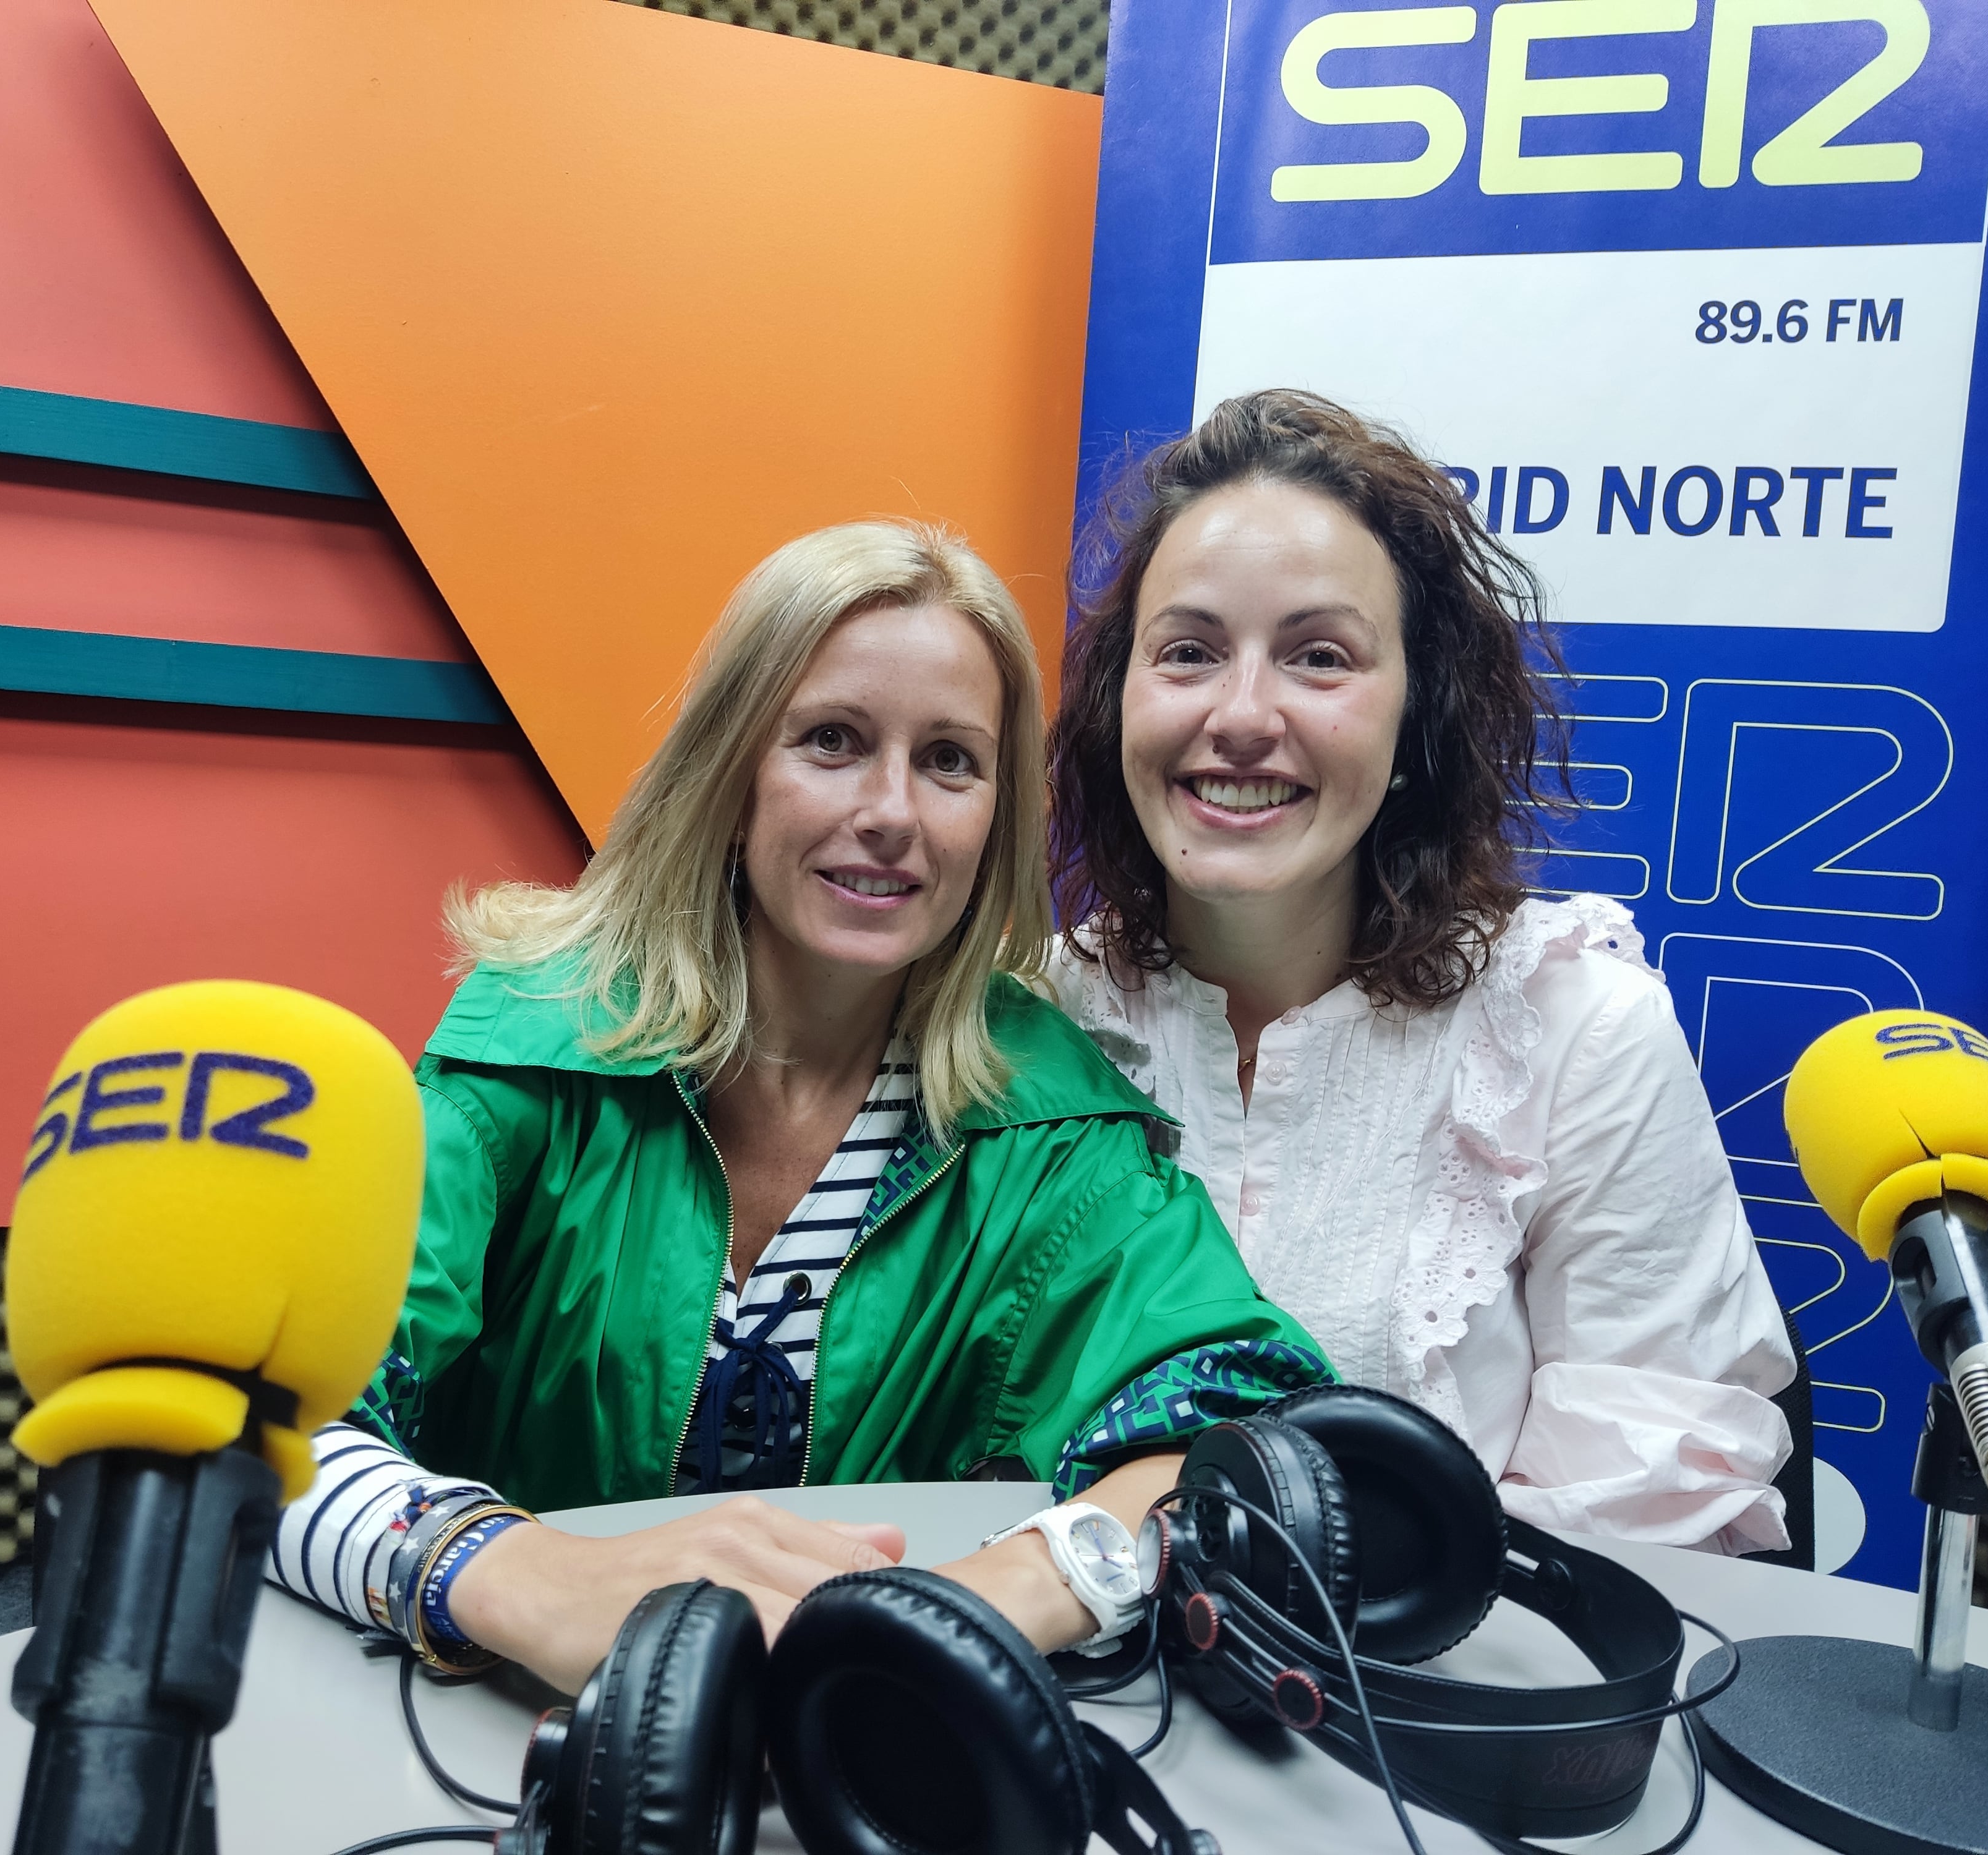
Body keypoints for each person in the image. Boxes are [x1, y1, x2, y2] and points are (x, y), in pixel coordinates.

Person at [273, 520, 1329, 1692]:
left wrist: (986, 1603)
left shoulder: (1053, 1132)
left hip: (861, 1754)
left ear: (996, 816)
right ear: (731, 771)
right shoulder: (524, 1064)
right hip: (483, 1739)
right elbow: (253, 1422)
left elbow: (1258, 1447)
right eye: (831, 741)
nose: (891, 811)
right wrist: (511, 1574)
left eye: (950, 760)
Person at [1041, 390, 1796, 1553]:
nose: (1242, 716)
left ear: (1416, 720)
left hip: (1450, 1712)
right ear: (1118, 702)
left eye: (1320, 657)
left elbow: (1658, 1516)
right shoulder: (1030, 1021)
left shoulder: (1573, 1025)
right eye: (1187, 652)